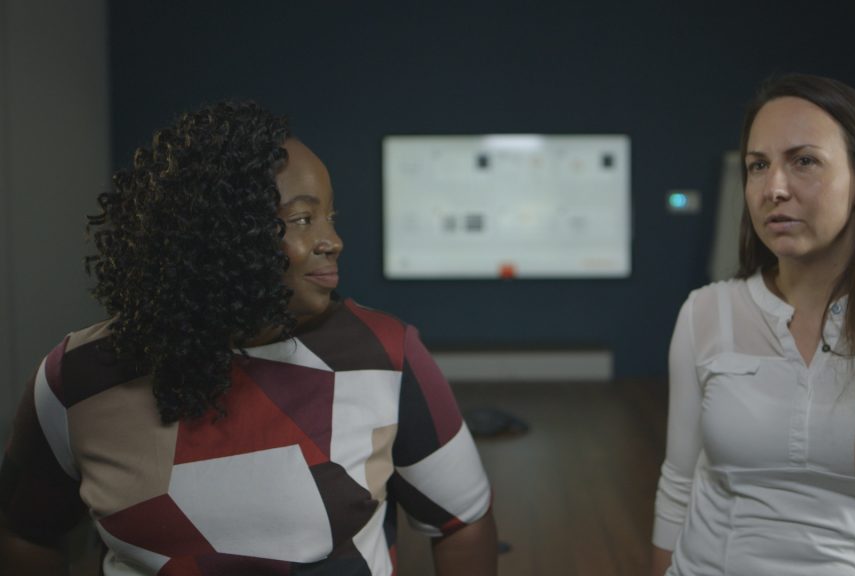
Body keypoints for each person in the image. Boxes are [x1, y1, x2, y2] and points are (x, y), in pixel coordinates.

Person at [0, 101, 498, 575]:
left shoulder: (387, 352)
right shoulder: (76, 377)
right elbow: (26, 535)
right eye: (303, 219)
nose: (334, 241)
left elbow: (462, 522)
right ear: (219, 233)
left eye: (331, 218)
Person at [651, 74, 855, 575]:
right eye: (757, 166)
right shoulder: (706, 312)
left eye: (803, 161)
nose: (774, 188)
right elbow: (678, 489)